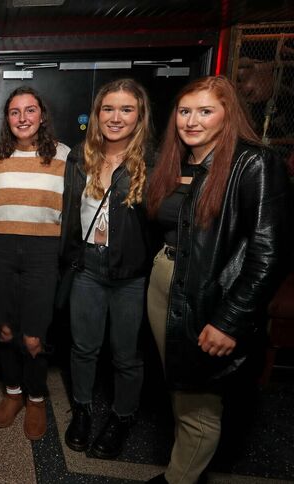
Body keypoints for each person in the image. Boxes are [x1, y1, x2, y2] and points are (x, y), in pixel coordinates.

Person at [145, 75, 292, 484]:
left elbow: (270, 253)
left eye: (205, 111)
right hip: (165, 281)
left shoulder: (255, 163)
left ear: (228, 116)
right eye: (185, 111)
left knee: (198, 402)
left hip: (211, 293)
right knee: (179, 388)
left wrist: (231, 320)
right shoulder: (176, 162)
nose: (192, 121)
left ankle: (179, 479)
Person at [59, 79, 152, 457]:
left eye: (126, 109)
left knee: (126, 354)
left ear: (140, 115)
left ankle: (122, 417)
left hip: (131, 273)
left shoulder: (156, 160)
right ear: (97, 115)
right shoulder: (80, 158)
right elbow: (68, 214)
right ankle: (81, 410)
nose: (116, 117)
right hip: (88, 266)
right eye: (108, 109)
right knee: (83, 348)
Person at [0, 87, 70, 440]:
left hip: (43, 251)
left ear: (42, 115)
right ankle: (14, 394)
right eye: (15, 112)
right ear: (7, 119)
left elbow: (71, 208)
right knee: (4, 329)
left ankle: (36, 399)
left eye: (30, 110)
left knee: (34, 336)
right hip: (0, 247)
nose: (22, 118)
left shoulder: (64, 156)